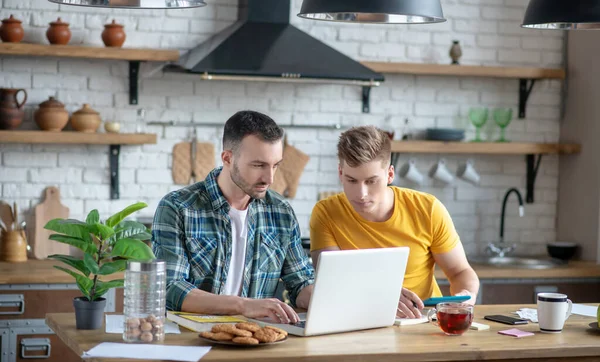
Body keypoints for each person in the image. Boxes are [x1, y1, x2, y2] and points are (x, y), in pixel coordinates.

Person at [153, 110, 314, 324]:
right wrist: (243, 305)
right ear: (228, 158)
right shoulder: (178, 207)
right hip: (191, 339)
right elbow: (170, 288)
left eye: (275, 165)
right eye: (258, 165)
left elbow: (301, 282)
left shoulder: (281, 212)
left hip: (256, 339)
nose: (270, 178)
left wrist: (329, 301)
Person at [310, 126, 479, 319]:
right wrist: (384, 296)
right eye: (351, 180)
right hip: (359, 320)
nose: (361, 194)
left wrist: (467, 295)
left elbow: (460, 271)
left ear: (390, 175)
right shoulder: (325, 213)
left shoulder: (428, 209)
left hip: (423, 322)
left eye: (371, 181)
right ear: (340, 173)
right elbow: (333, 282)